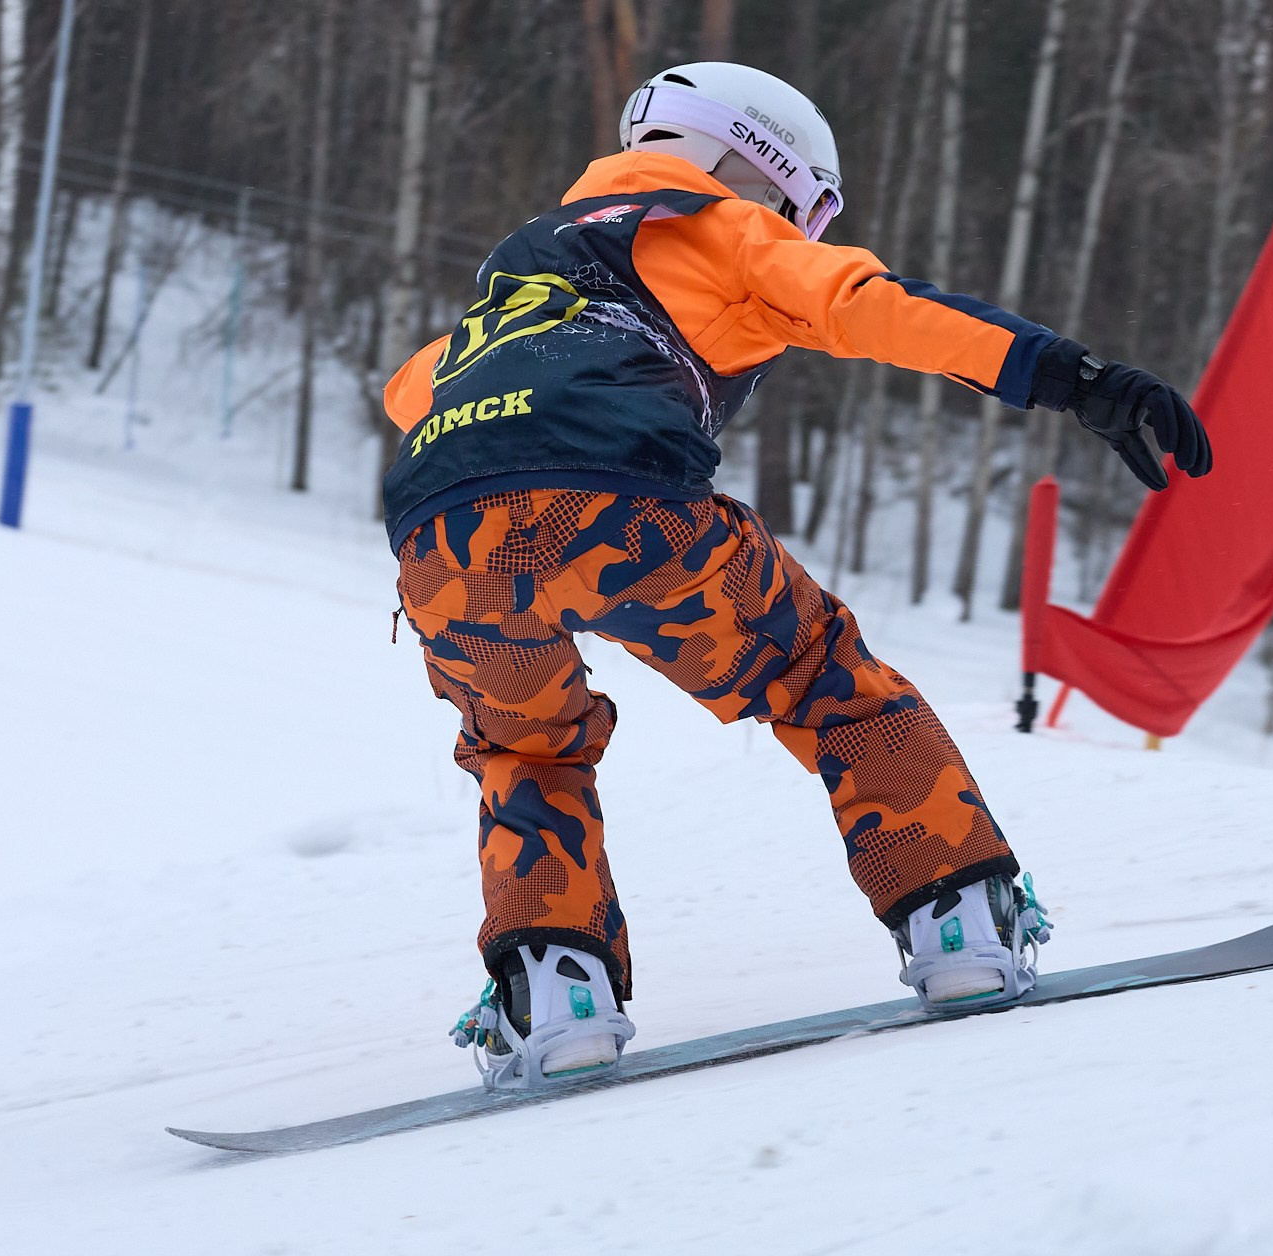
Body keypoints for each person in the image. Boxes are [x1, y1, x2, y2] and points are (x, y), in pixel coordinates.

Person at [381, 61, 1211, 1090]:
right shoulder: (724, 229)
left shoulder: (511, 281)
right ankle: (956, 918)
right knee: (823, 679)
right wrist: (1075, 378)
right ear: (750, 167)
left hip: (437, 532)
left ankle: (558, 995)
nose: (792, 229)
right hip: (621, 497)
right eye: (796, 209)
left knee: (524, 746)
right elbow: (879, 309)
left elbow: (409, 389)